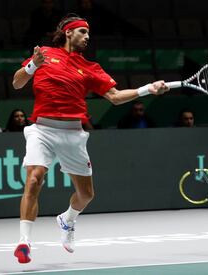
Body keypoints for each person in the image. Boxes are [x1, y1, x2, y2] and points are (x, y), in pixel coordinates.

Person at [11, 14, 169, 264]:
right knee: (34, 179)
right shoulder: (44, 54)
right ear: (68, 33)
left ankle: (68, 219)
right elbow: (17, 83)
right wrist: (33, 65)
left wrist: (147, 89)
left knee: (86, 194)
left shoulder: (90, 67)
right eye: (82, 32)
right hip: (42, 130)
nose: (87, 36)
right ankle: (24, 242)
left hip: (73, 134)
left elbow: (115, 97)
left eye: (88, 33)